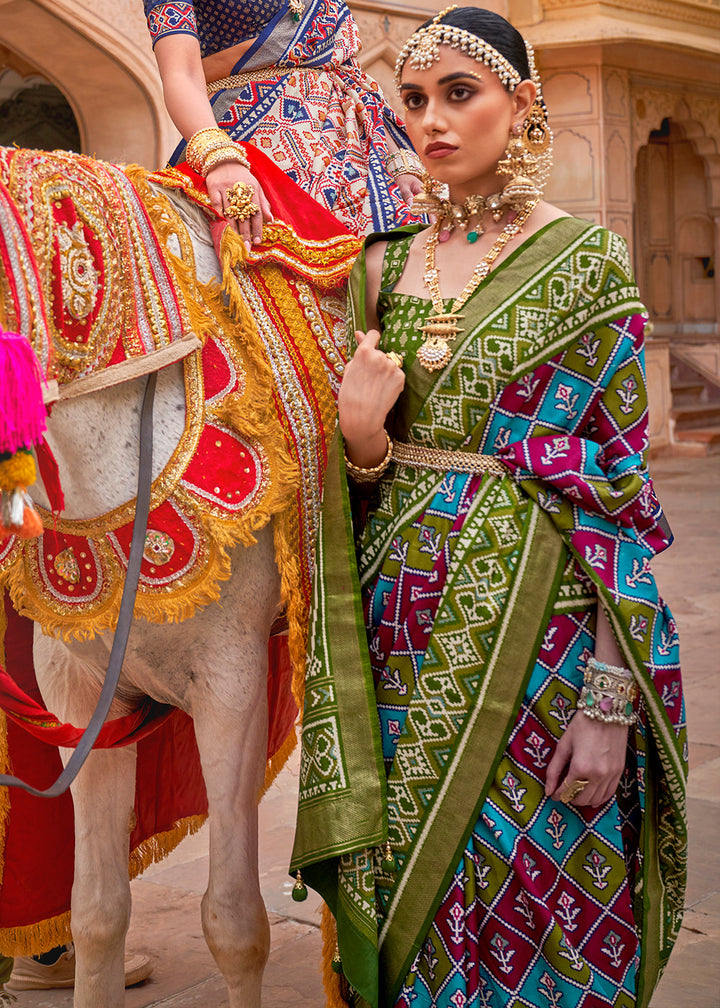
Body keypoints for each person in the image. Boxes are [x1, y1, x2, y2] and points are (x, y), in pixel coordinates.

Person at [290, 7, 687, 1008]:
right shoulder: (380, 267)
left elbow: (617, 495)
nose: (432, 119)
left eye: (460, 94)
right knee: (405, 883)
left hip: (539, 640)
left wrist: (607, 703)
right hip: (395, 636)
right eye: (415, 99)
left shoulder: (581, 264)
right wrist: (363, 435)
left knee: (536, 876)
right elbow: (364, 476)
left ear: (522, 103)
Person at [143, 0, 423, 240]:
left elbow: (349, 75)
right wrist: (221, 160)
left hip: (353, 149)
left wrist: (398, 160)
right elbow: (182, 74)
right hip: (250, 147)